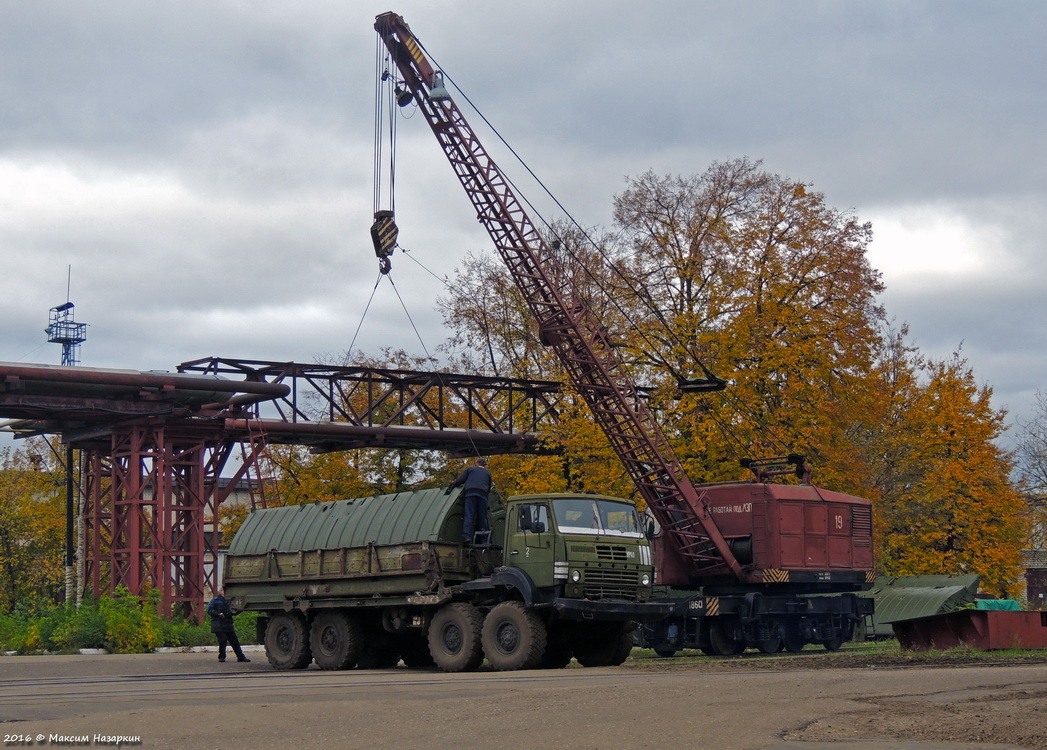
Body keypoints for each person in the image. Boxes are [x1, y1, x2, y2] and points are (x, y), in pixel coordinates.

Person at [445, 457, 493, 545]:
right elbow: (489, 487)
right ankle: (484, 540)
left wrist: (453, 485)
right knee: (482, 517)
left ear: (476, 463)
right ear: (484, 465)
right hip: (483, 494)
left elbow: (460, 480)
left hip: (471, 493)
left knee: (469, 515)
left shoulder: (470, 469)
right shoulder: (488, 473)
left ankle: (466, 536)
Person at [206, 589, 250, 663]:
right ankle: (222, 657)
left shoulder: (229, 601)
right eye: (223, 590)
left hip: (228, 624)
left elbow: (233, 612)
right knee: (223, 640)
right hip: (218, 624)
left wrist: (239, 610)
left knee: (234, 641)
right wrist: (218, 614)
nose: (225, 592)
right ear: (221, 592)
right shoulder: (215, 600)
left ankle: (241, 657)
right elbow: (209, 610)